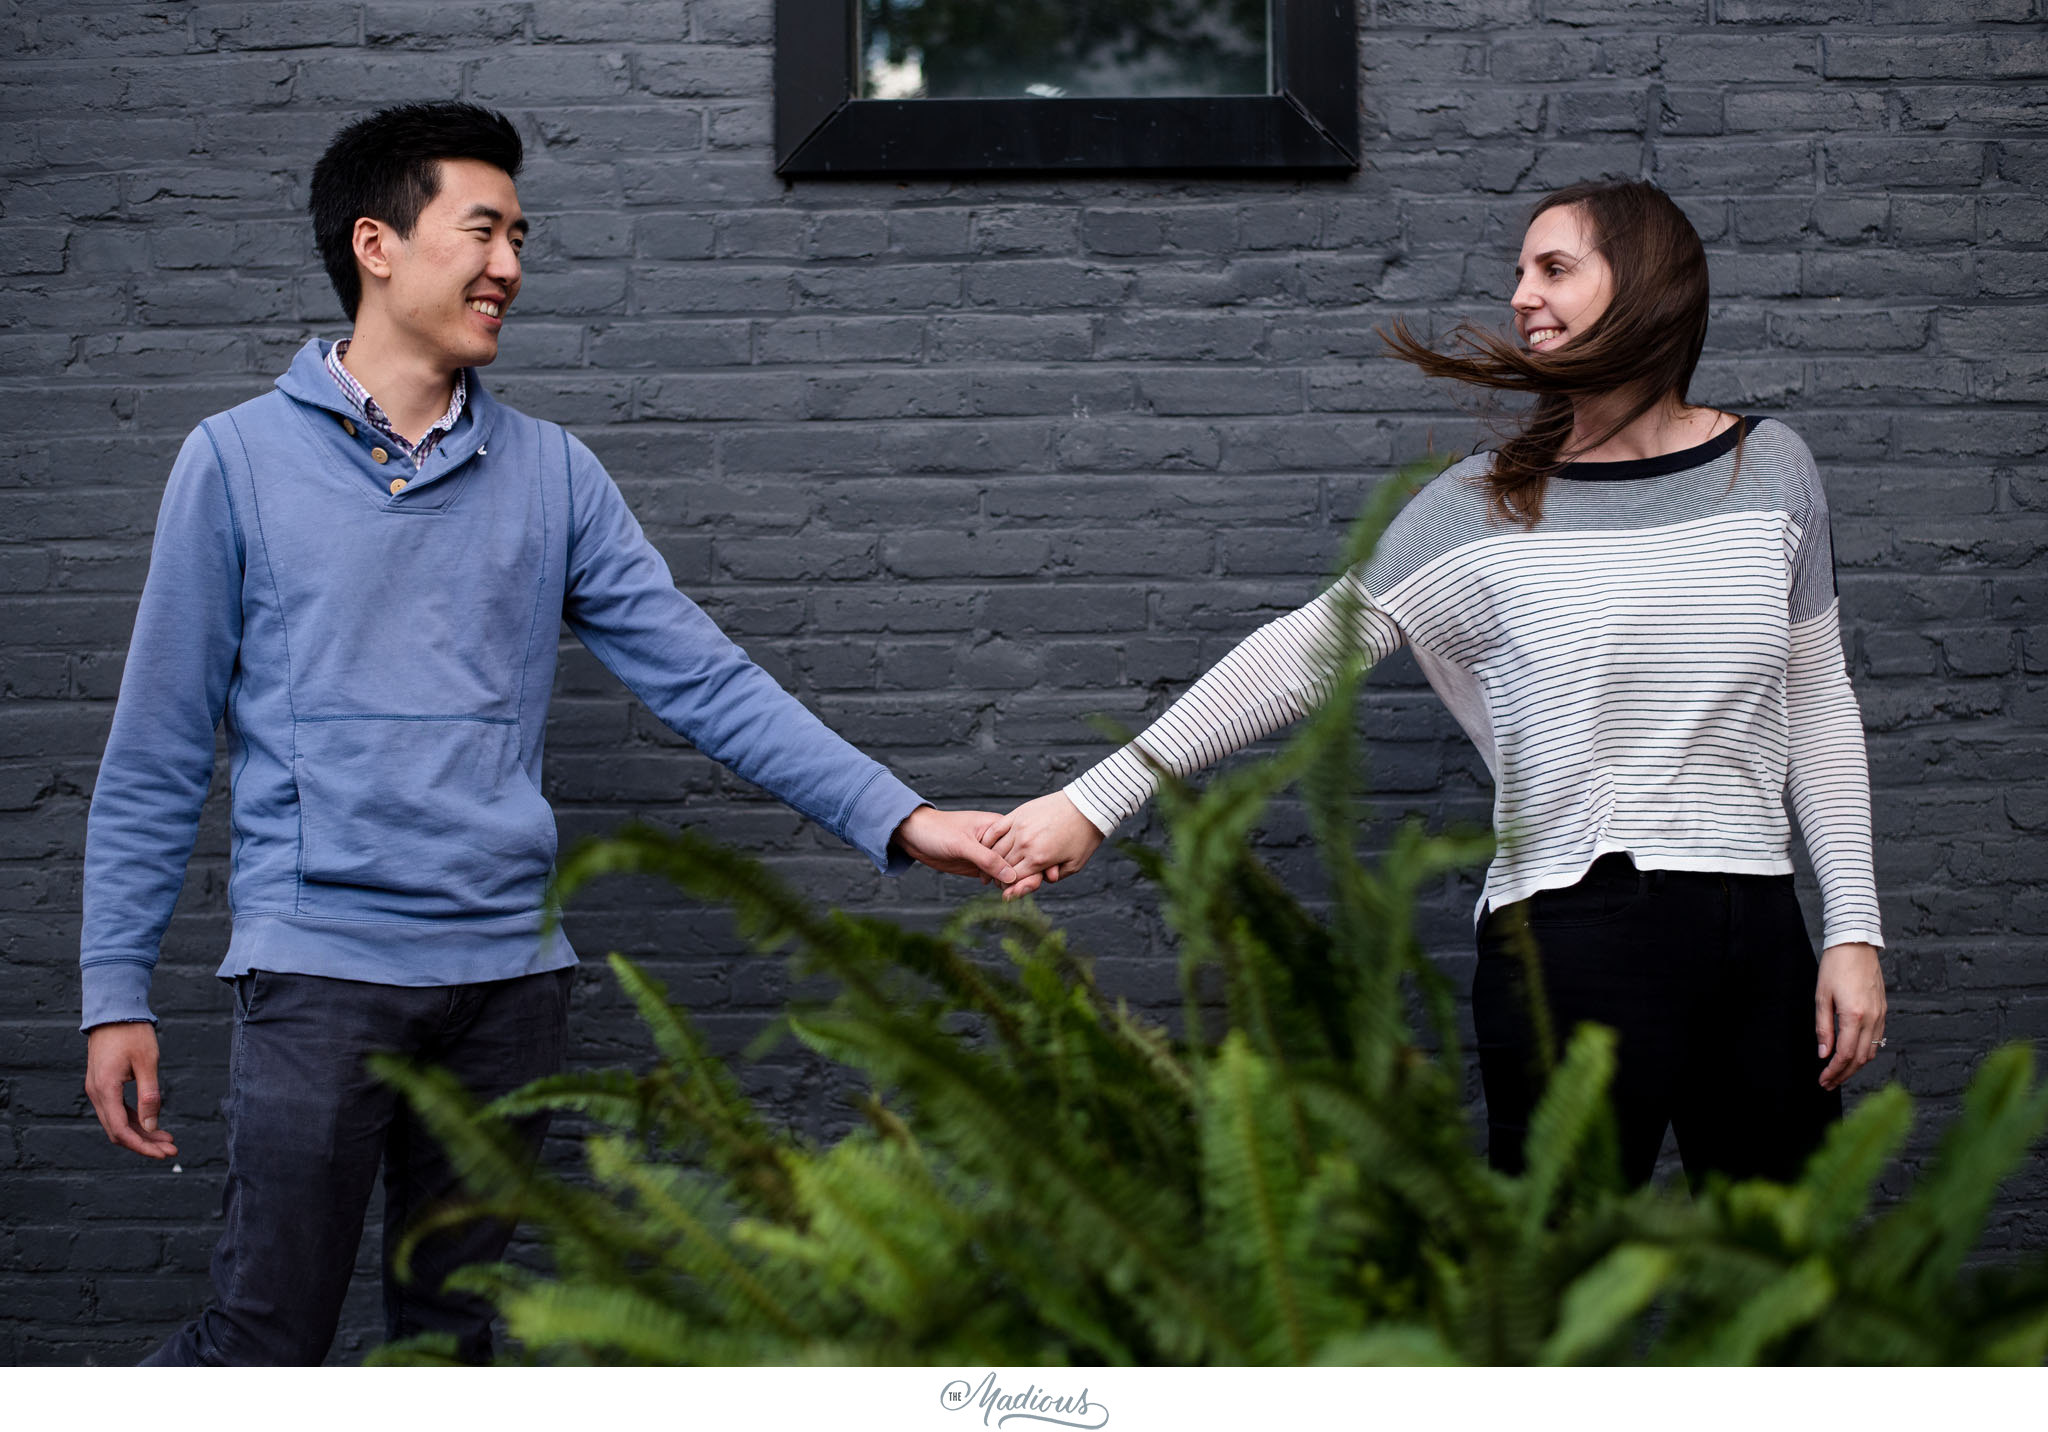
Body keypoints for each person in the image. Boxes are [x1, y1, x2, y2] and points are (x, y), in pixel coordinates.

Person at [80, 101, 1016, 1366]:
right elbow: (158, 747)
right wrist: (112, 990)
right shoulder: (234, 462)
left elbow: (706, 680)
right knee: (263, 1342)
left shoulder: (554, 473)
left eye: (520, 233)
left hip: (509, 989)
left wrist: (898, 816)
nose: (510, 264)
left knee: (455, 1344)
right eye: (482, 230)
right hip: (318, 977)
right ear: (376, 244)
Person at [979, 179, 1888, 1190]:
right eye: (1516, 272)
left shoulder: (1769, 469)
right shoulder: (1481, 503)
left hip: (1756, 927)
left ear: (1643, 285)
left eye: (1552, 268)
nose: (1518, 296)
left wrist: (1850, 927)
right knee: (1548, 1298)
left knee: (1789, 1284)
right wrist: (1093, 800)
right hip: (1572, 932)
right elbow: (1296, 654)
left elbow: (1814, 696)